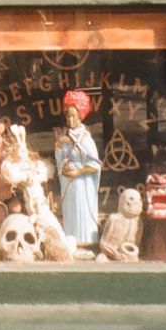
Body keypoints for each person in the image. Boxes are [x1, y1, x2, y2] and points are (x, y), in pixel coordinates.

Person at [54, 90, 101, 248]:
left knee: (82, 212)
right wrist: (60, 148)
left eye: (73, 116)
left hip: (82, 185)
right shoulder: (66, 137)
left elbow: (95, 165)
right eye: (68, 116)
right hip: (70, 184)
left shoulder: (86, 139)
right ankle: (71, 242)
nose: (70, 119)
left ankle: (85, 242)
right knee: (71, 212)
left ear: (81, 116)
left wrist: (78, 171)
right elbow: (60, 159)